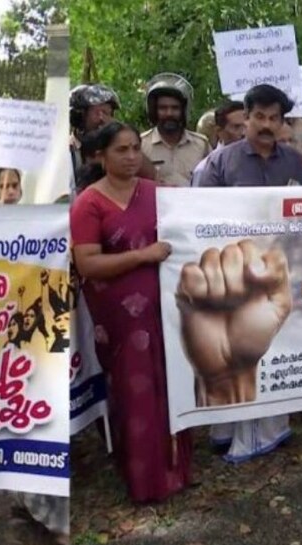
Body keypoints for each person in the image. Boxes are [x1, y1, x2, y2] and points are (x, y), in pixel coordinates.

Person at [196, 84, 302, 460]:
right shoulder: (220, 162)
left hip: (280, 272)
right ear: (246, 118)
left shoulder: (292, 163)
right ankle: (230, 429)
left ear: (281, 123)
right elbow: (198, 217)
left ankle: (262, 433)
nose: (265, 124)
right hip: (234, 272)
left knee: (271, 352)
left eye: (273, 118)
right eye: (258, 116)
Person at [70, 121, 192, 502]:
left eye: (135, 149)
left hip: (165, 309)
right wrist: (143, 256)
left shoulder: (159, 194)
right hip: (118, 318)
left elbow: (199, 220)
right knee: (134, 389)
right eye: (121, 150)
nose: (130, 157)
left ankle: (177, 471)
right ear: (100, 155)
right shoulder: (88, 203)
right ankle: (145, 481)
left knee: (170, 383)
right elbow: (88, 264)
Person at [141, 73, 211, 187]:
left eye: (175, 108)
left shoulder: (201, 144)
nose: (169, 113)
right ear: (154, 111)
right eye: (163, 108)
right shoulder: (141, 144)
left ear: (183, 111)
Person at [190, 101, 247, 186]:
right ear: (219, 132)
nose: (243, 133)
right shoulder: (206, 168)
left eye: (246, 126)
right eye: (236, 127)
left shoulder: (259, 162)